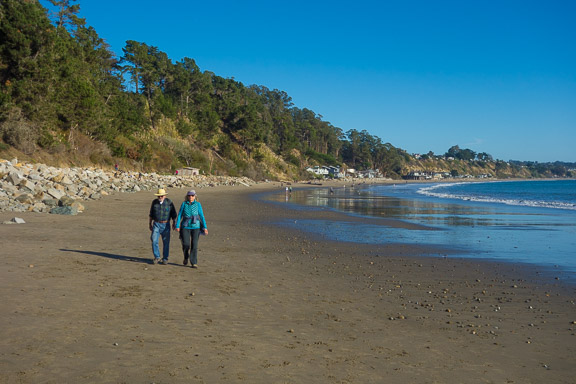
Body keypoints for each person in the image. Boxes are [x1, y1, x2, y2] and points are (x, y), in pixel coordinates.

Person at [175, 190, 208, 268]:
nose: (191, 197)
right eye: (189, 196)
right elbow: (180, 215)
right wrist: (177, 225)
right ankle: (186, 256)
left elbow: (201, 216)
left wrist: (205, 227)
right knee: (186, 244)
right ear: (187, 196)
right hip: (185, 226)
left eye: (192, 196)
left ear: (195, 196)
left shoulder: (198, 204)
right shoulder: (184, 204)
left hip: (196, 226)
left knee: (194, 245)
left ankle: (194, 262)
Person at [148, 188, 177, 265]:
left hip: (166, 224)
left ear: (165, 196)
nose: (160, 197)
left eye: (161, 196)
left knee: (166, 242)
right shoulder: (154, 202)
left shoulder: (169, 202)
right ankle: (157, 257)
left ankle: (165, 258)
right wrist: (150, 223)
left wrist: (174, 223)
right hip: (156, 224)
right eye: (159, 196)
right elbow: (151, 214)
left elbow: (173, 214)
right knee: (154, 240)